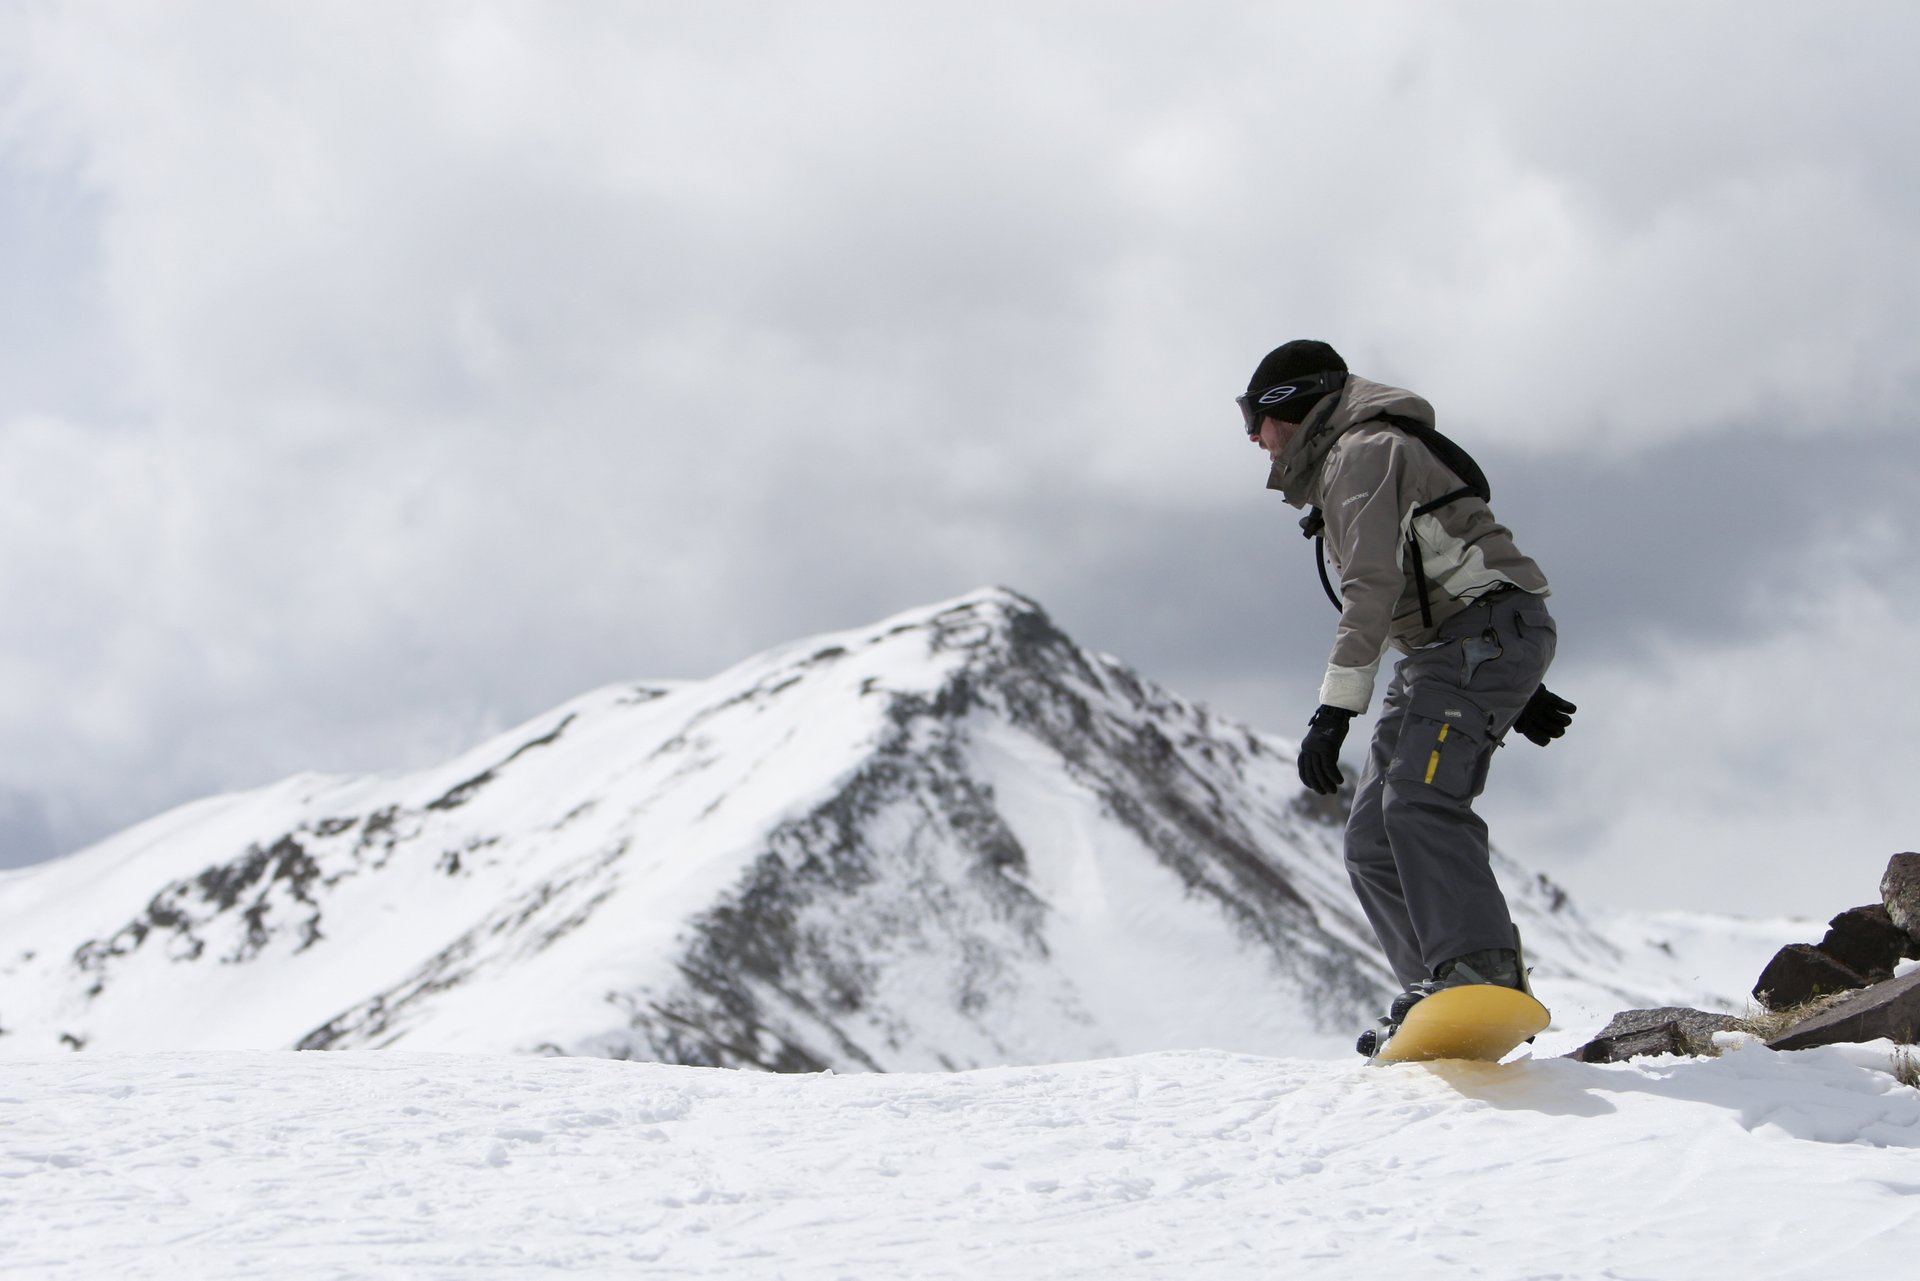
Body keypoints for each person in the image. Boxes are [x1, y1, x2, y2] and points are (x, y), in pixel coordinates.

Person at [1239, 339, 1577, 1052]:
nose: (1252, 438)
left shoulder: (1363, 452)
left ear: (1288, 407)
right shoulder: (1346, 460)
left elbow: (1373, 586)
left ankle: (1477, 967)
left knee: (1420, 801)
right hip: (1451, 649)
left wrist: (1334, 710)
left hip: (1477, 635)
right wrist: (1520, 683)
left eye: (1253, 416)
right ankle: (1439, 988)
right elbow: (1435, 568)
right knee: (1369, 840)